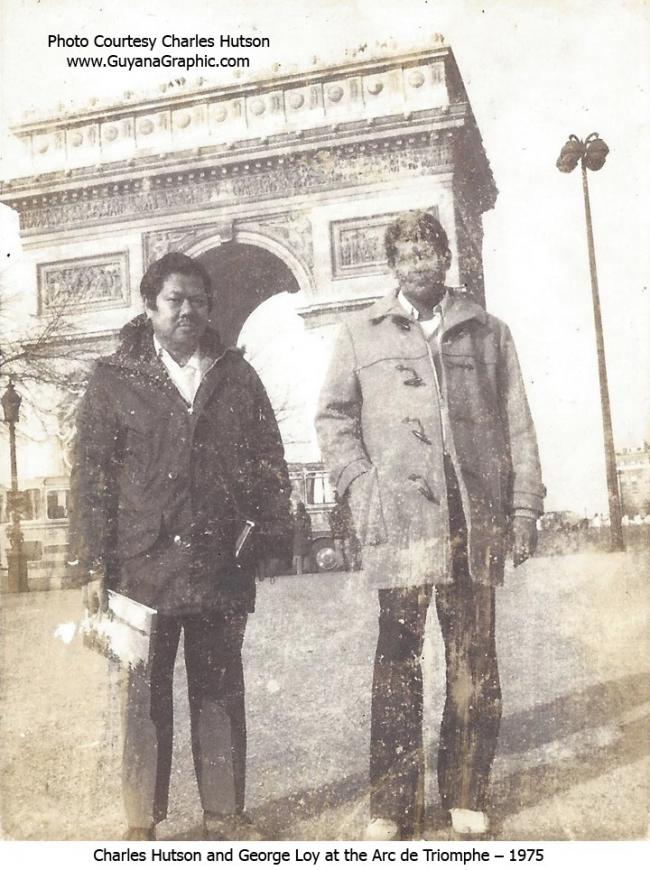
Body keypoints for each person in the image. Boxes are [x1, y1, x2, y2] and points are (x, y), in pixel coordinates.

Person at [315, 211, 544, 839]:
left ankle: (466, 792)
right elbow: (333, 419)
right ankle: (392, 805)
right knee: (397, 661)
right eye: (406, 255)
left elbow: (519, 426)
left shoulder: (490, 332)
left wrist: (525, 507)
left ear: (446, 258)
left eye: (428, 252)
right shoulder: (358, 333)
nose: (418, 263)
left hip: (473, 517)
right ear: (392, 265)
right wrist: (360, 486)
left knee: (473, 658)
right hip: (401, 521)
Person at [69, 252, 291, 840]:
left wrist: (267, 533)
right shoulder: (113, 379)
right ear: (149, 306)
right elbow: (90, 475)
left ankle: (224, 813)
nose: (188, 310)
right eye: (175, 300)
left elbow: (269, 458)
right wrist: (90, 563)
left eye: (198, 300)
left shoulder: (237, 375)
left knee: (219, 692)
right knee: (142, 698)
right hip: (139, 566)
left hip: (219, 562)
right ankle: (141, 822)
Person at [292, 501, 312, 575]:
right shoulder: (306, 516)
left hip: (297, 537)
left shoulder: (295, 517)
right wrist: (309, 535)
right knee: (306, 554)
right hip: (304, 536)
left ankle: (299, 570)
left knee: (298, 555)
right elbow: (308, 527)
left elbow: (293, 527)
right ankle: (306, 569)